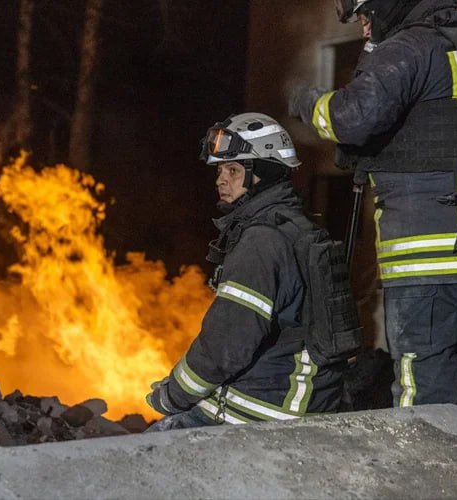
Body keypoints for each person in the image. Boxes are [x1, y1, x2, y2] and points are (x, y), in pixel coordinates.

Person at [289, 0, 457, 438]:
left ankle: (424, 467)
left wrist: (307, 102)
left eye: (365, 15)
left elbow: (351, 117)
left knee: (422, 386)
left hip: (434, 245)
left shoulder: (409, 47)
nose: (364, 28)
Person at [145, 112, 357, 430]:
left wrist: (171, 396)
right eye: (219, 170)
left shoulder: (262, 242)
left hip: (258, 413)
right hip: (300, 405)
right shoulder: (296, 230)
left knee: (143, 449)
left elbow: (224, 346)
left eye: (233, 170)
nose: (220, 180)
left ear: (265, 172)